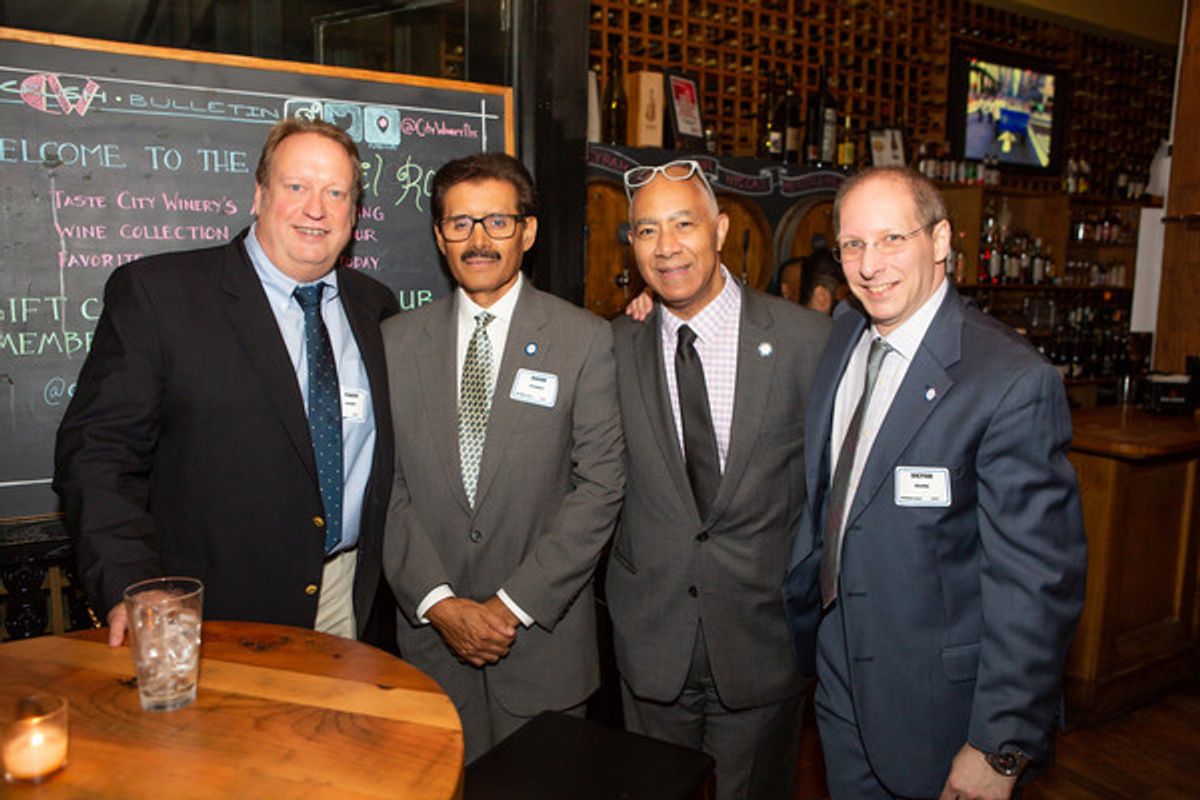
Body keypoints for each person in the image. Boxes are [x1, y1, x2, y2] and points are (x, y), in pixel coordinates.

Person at [784, 166, 1087, 799]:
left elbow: (1037, 583)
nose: (871, 265)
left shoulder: (1010, 381)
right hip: (840, 677)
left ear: (942, 240)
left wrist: (999, 748)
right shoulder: (844, 335)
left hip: (941, 713)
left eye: (893, 239)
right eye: (853, 245)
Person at [55, 118, 400, 648]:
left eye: (336, 193)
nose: (317, 208)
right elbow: (98, 455)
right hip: (210, 610)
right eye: (296, 187)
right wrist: (133, 583)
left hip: (349, 597)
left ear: (355, 214)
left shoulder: (375, 307)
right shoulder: (159, 296)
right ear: (259, 195)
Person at [380, 152, 624, 763]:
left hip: (542, 647)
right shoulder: (394, 342)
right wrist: (438, 601)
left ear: (529, 231)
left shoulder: (584, 339)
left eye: (497, 222)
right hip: (430, 650)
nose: (479, 240)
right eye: (459, 224)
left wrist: (507, 607)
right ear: (440, 238)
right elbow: (384, 485)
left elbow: (599, 487)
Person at [607, 159, 830, 800]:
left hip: (762, 647)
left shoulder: (806, 342)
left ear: (722, 228)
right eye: (647, 230)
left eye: (684, 223)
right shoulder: (614, 345)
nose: (667, 246)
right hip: (652, 643)